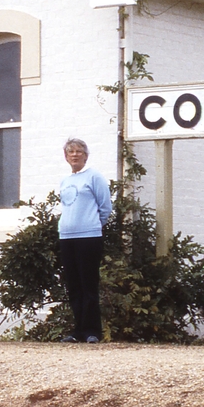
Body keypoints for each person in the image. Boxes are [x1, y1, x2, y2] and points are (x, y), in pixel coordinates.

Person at [58, 138, 112, 343]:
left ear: (85, 156)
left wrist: (93, 224)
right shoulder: (65, 181)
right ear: (66, 156)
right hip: (67, 237)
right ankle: (77, 330)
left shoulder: (94, 176)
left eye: (79, 151)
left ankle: (92, 331)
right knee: (73, 286)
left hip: (88, 237)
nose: (74, 155)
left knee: (88, 284)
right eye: (70, 151)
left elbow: (105, 207)